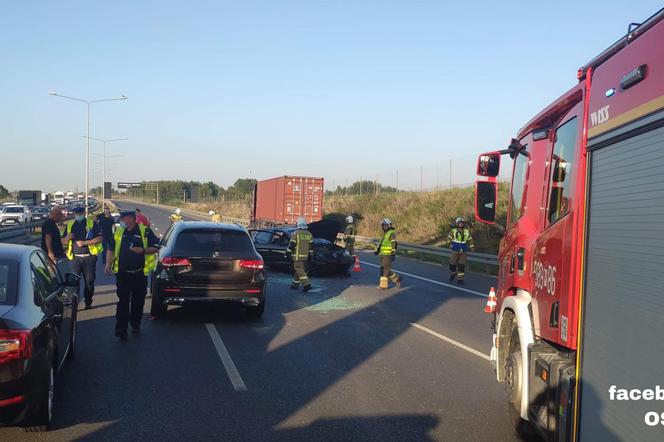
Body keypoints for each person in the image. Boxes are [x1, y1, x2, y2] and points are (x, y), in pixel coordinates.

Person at [104, 211, 159, 341]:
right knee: (123, 301)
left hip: (139, 274)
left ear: (132, 219)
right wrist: (108, 264)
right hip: (123, 274)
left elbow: (156, 247)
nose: (121, 221)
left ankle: (135, 324)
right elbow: (111, 249)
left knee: (138, 302)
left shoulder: (145, 231)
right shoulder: (118, 232)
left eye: (123, 218)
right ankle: (121, 329)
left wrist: (143, 250)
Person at [64, 206, 103, 309]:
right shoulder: (70, 225)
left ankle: (88, 301)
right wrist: (67, 238)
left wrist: (85, 242)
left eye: (80, 213)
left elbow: (100, 238)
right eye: (76, 214)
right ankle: (74, 304)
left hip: (89, 257)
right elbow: (62, 241)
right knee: (74, 282)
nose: (78, 215)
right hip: (74, 258)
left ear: (84, 213)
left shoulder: (91, 224)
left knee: (89, 281)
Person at [375, 218, 402, 289]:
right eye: (383, 225)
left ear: (389, 225)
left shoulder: (391, 233)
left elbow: (394, 244)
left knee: (384, 270)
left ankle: (383, 286)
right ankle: (397, 279)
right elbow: (382, 244)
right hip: (382, 254)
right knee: (385, 269)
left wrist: (393, 253)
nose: (384, 227)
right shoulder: (385, 233)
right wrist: (378, 250)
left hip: (388, 255)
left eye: (385, 225)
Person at [287, 217, 313, 292]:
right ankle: (294, 285)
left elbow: (292, 245)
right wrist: (311, 256)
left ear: (298, 224)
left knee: (299, 270)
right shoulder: (309, 234)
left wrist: (288, 252)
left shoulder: (296, 233)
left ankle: (307, 285)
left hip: (297, 257)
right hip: (305, 257)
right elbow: (311, 247)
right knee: (298, 270)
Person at [446, 217, 475, 285]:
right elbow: (448, 239)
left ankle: (460, 280)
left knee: (461, 266)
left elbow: (470, 239)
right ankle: (453, 273)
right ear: (457, 223)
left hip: (463, 251)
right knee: (452, 265)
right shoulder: (453, 231)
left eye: (462, 223)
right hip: (455, 250)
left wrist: (472, 247)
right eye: (459, 223)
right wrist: (450, 245)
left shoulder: (467, 231)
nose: (461, 224)